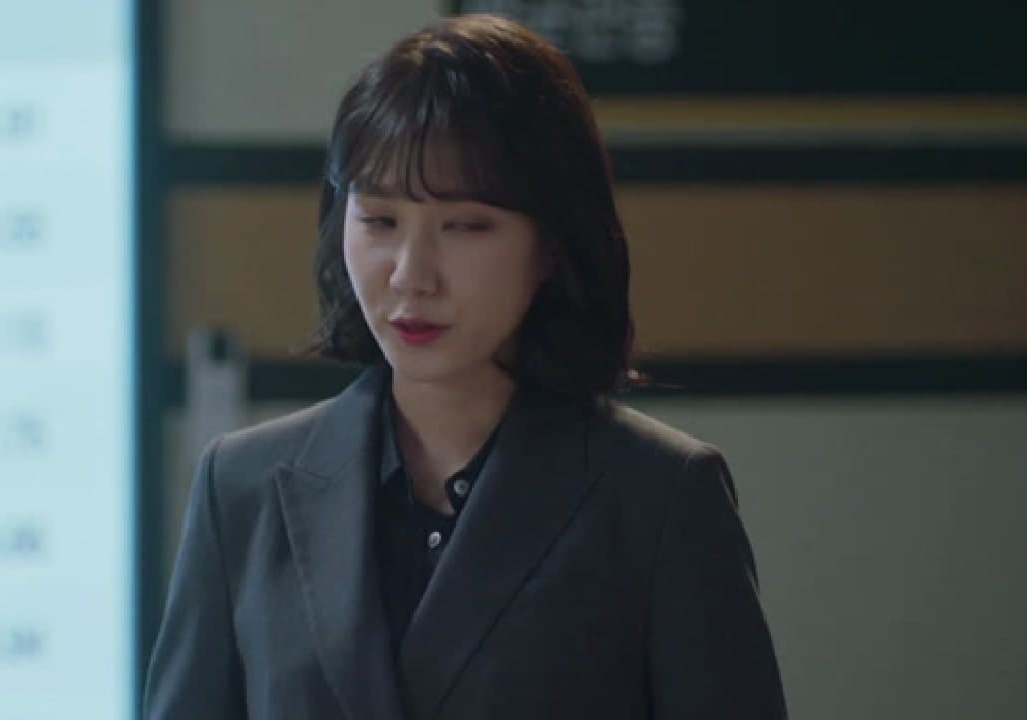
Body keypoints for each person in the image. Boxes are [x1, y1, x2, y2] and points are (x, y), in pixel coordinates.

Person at [144, 13, 787, 720]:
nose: (410, 275)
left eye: (465, 226)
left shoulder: (659, 498)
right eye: (379, 221)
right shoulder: (242, 489)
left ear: (552, 243)